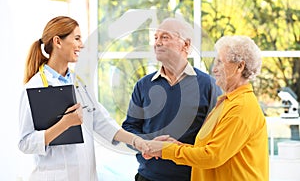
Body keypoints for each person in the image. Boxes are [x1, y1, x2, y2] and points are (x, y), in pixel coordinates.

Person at [18, 16, 149, 181]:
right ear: (58, 41)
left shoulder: (79, 83)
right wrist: (65, 124)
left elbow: (102, 122)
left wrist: (139, 142)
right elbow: (25, 142)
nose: (82, 44)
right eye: (77, 38)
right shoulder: (35, 87)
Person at [144, 35, 269, 181]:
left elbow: (211, 156)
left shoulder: (241, 107)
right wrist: (174, 145)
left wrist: (165, 150)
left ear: (239, 67)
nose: (214, 69)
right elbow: (208, 149)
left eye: (220, 62)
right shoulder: (226, 103)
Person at [121, 17, 222, 181]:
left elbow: (216, 140)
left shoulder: (209, 86)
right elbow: (129, 128)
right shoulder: (143, 85)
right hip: (147, 177)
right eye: (156, 38)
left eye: (165, 37)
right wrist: (148, 144)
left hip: (191, 177)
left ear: (186, 45)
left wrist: (172, 149)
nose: (157, 43)